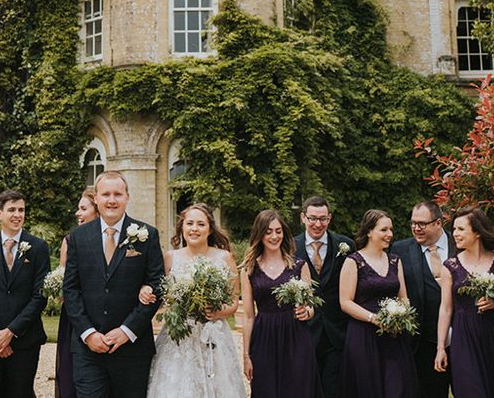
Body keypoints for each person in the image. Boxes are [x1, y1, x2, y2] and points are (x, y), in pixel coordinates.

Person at [63, 171, 164, 398]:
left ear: (127, 197)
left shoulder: (147, 234)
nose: (111, 200)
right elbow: (71, 289)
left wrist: (127, 331)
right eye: (106, 194)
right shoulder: (78, 237)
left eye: (117, 194)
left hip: (132, 349)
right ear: (96, 198)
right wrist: (88, 333)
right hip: (88, 349)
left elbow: (157, 284)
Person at [146, 203, 246, 398]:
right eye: (189, 223)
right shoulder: (170, 258)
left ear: (209, 229)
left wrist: (218, 312)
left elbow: (233, 301)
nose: (194, 229)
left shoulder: (224, 258)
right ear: (182, 227)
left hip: (213, 334)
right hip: (179, 336)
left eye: (200, 224)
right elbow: (162, 296)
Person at [434, 205, 494, 398]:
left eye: (461, 229)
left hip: (493, 336)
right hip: (463, 337)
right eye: (454, 229)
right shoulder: (450, 266)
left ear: (477, 231)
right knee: (470, 389)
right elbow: (445, 309)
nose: (455, 234)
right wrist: (440, 348)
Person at [0, 190, 50, 398]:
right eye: (11, 210)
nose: (17, 215)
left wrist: (10, 332)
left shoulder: (38, 248)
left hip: (24, 342)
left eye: (21, 210)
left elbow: (40, 296)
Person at [240, 209, 323, 398]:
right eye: (268, 231)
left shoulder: (299, 265)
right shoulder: (248, 270)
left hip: (296, 337)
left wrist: (306, 312)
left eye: (278, 231)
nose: (274, 236)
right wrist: (246, 356)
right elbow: (248, 316)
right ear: (259, 234)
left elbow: (311, 306)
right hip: (264, 339)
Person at [339, 209, 418, 398]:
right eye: (384, 230)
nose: (389, 234)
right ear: (369, 232)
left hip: (393, 337)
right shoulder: (353, 262)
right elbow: (345, 302)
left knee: (396, 386)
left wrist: (403, 316)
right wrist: (374, 318)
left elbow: (404, 297)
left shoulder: (395, 261)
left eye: (391, 229)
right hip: (363, 336)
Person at [391, 201, 455, 398]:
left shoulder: (461, 244)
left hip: (464, 337)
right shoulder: (400, 249)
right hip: (423, 343)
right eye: (413, 223)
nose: (416, 228)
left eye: (422, 224)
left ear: (438, 223)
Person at [294, 196, 354, 398]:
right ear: (303, 218)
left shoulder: (345, 245)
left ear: (329, 218)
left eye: (322, 219)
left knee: (334, 390)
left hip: (337, 331)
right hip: (304, 331)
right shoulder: (291, 247)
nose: (317, 224)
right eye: (312, 218)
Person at [55, 187, 99, 398]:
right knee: (71, 369)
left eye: (83, 208)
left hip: (103, 312)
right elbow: (65, 281)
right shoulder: (70, 240)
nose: (77, 213)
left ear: (96, 210)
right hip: (75, 315)